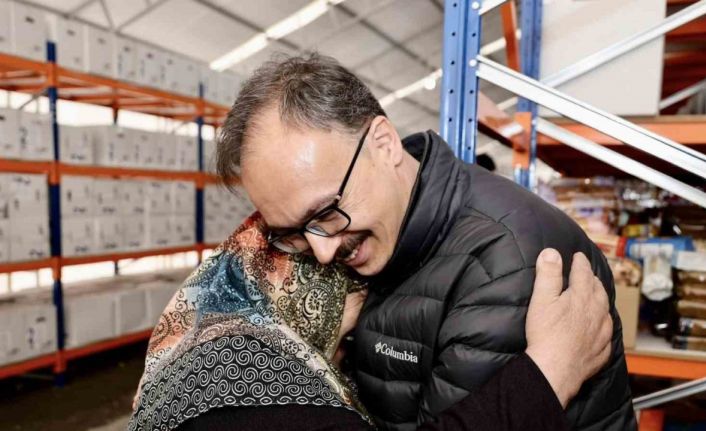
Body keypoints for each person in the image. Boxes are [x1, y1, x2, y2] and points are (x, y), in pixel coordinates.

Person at [216, 53, 637, 430]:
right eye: (292, 232)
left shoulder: (505, 265)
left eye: (327, 211)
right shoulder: (379, 241)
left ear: (384, 143)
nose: (323, 252)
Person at [130, 214, 612, 431]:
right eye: (349, 326)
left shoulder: (202, 345)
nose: (348, 351)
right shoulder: (244, 371)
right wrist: (551, 370)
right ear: (307, 294)